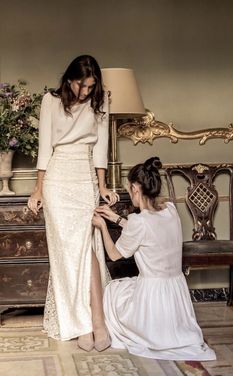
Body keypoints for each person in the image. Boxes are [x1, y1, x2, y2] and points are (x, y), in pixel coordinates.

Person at [28, 55, 119, 352]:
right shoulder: (50, 101)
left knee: (87, 247)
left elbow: (101, 145)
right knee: (66, 254)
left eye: (91, 87)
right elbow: (45, 147)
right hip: (56, 179)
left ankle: (98, 321)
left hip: (84, 179)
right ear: (69, 79)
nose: (86, 92)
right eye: (82, 85)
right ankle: (80, 322)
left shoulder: (100, 101)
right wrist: (38, 189)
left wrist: (103, 184)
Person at [92, 156, 216, 360]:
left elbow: (114, 255)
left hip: (151, 298)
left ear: (135, 188)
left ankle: (146, 331)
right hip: (176, 292)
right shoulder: (170, 210)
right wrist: (117, 219)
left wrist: (103, 227)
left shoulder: (137, 222)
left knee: (113, 291)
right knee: (125, 287)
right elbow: (150, 232)